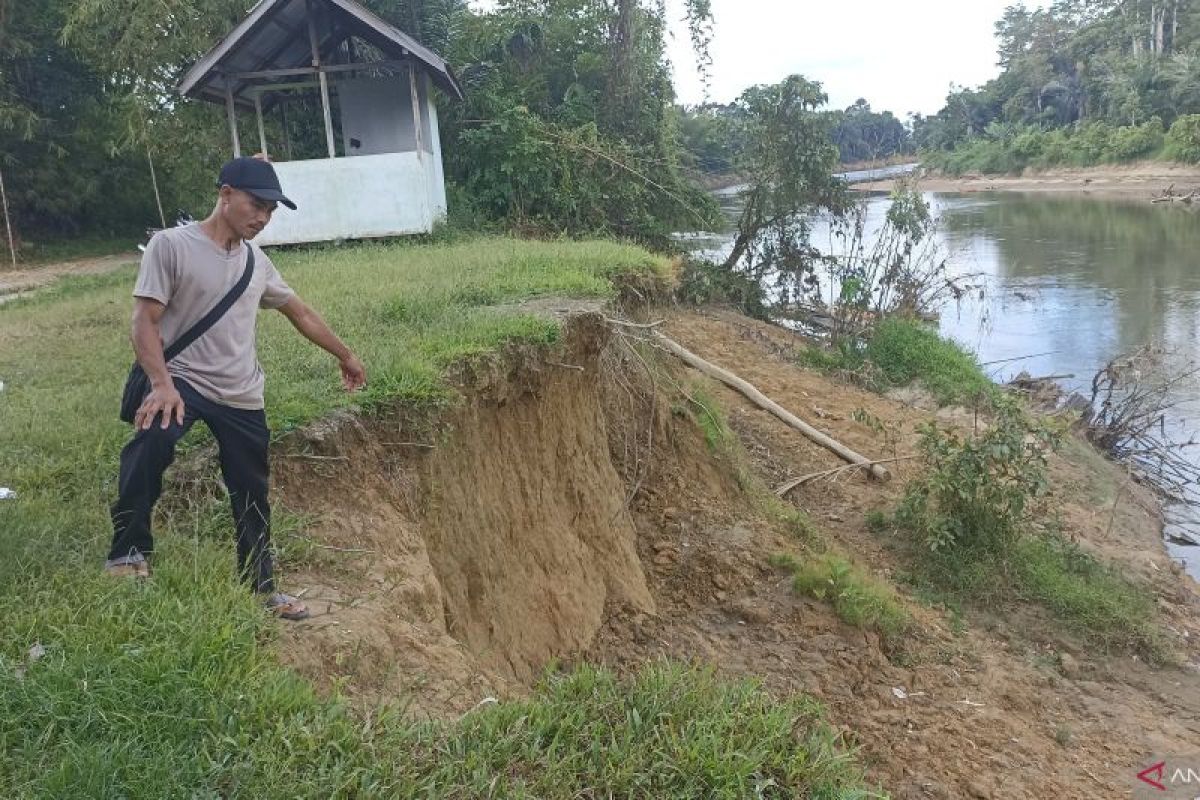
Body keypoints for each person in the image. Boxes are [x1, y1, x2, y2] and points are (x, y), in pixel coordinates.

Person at [105, 156, 366, 621]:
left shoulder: (256, 263)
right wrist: (162, 384)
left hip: (242, 392)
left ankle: (261, 586)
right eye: (256, 204)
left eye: (271, 210)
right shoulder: (171, 246)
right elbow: (144, 319)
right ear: (225, 194)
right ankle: (128, 551)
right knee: (150, 446)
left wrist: (345, 355)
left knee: (252, 487)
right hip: (182, 380)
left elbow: (300, 313)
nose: (263, 217)